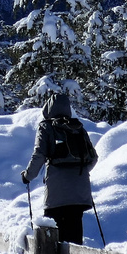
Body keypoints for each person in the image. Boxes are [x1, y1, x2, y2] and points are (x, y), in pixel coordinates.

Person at [20, 92, 98, 245]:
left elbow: (39, 154)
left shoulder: (46, 127)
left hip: (57, 194)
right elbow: (93, 157)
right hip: (80, 193)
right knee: (75, 238)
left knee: (55, 238)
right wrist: (79, 173)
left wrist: (27, 176)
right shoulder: (77, 127)